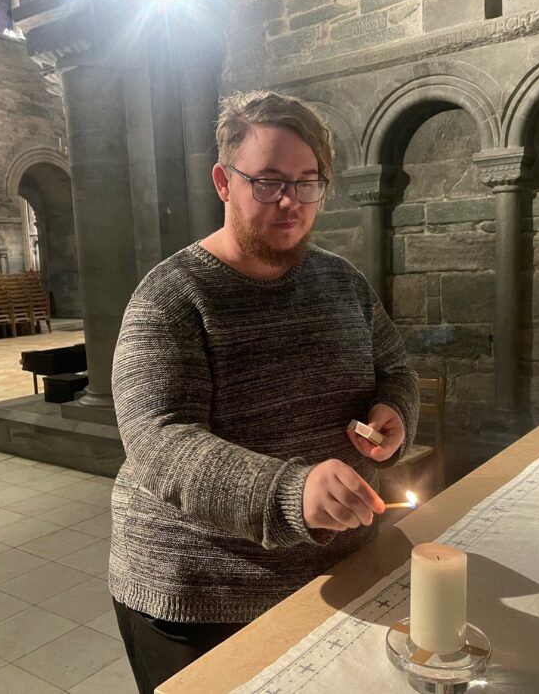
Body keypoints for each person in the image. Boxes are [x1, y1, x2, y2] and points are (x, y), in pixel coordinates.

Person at [109, 89, 419, 694]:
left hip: (339, 569)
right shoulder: (172, 297)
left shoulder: (342, 282)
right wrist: (288, 492)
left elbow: (395, 370)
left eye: (308, 182)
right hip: (202, 595)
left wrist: (394, 412)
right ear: (223, 181)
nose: (290, 201)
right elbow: (157, 441)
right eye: (269, 181)